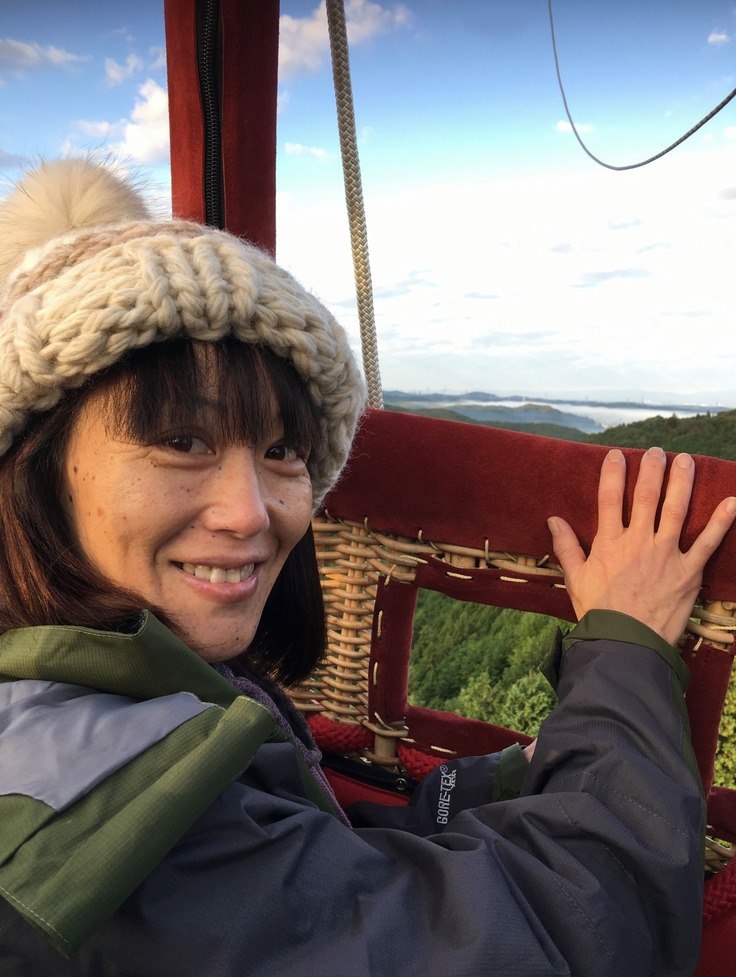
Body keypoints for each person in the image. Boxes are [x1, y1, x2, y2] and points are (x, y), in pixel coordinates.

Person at [0, 159, 732, 977]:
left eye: (283, 450)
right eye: (181, 440)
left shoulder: (86, 718)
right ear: (36, 469)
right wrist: (626, 652)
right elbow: (584, 935)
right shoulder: (112, 836)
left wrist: (507, 779)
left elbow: (309, 886)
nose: (250, 512)